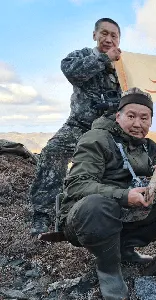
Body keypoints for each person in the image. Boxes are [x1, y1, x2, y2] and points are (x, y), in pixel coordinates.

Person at [59, 88, 156, 300]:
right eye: (131, 116)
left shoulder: (150, 148)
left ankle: (124, 249)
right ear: (118, 116)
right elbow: (78, 186)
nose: (137, 124)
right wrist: (125, 196)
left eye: (144, 118)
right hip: (84, 217)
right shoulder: (97, 139)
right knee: (99, 205)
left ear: (151, 121)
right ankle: (108, 269)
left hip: (124, 215)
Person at [30, 18, 123, 236]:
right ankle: (43, 216)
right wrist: (103, 59)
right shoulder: (81, 56)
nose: (109, 39)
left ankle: (108, 222)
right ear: (94, 35)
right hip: (79, 127)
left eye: (114, 36)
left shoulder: (125, 66)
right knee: (53, 152)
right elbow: (71, 71)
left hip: (110, 132)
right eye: (104, 33)